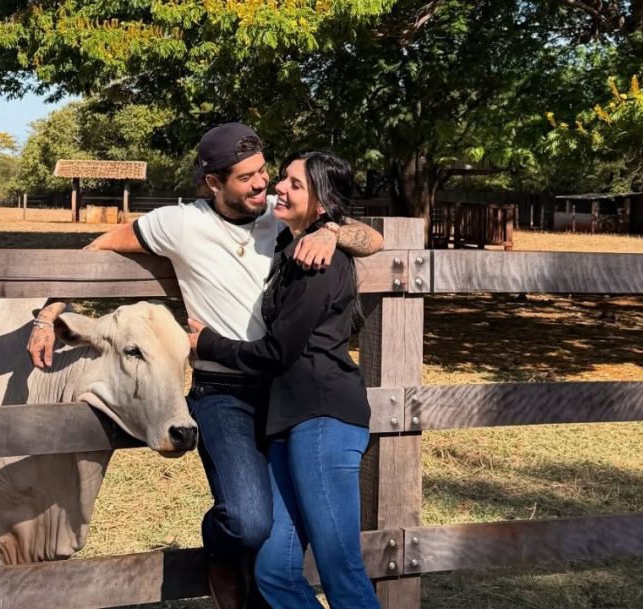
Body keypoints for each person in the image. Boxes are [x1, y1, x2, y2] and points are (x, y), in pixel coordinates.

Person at [26, 123, 384, 609]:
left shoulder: (281, 219)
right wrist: (49, 313)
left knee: (281, 542)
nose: (263, 184)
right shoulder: (179, 223)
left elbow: (374, 239)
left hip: (285, 391)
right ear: (214, 183)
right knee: (250, 519)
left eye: (265, 172)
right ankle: (219, 551)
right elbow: (98, 248)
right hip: (223, 391)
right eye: (247, 177)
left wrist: (334, 230)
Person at [187, 151, 380, 609]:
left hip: (323, 418)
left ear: (320, 203)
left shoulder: (320, 263)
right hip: (287, 425)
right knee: (274, 573)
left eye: (295, 184)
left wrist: (209, 345)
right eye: (284, 180)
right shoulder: (288, 247)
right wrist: (331, 229)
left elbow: (277, 352)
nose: (280, 187)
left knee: (340, 570)